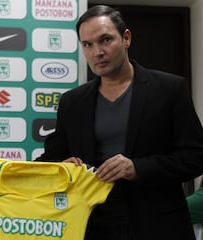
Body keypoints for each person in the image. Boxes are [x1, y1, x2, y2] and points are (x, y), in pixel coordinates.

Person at [36, 4, 203, 240]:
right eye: (88, 44)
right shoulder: (72, 102)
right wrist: (63, 166)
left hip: (158, 225)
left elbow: (196, 157)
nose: (97, 52)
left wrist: (137, 168)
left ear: (126, 38)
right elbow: (50, 160)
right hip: (92, 225)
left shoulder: (170, 89)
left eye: (105, 40)